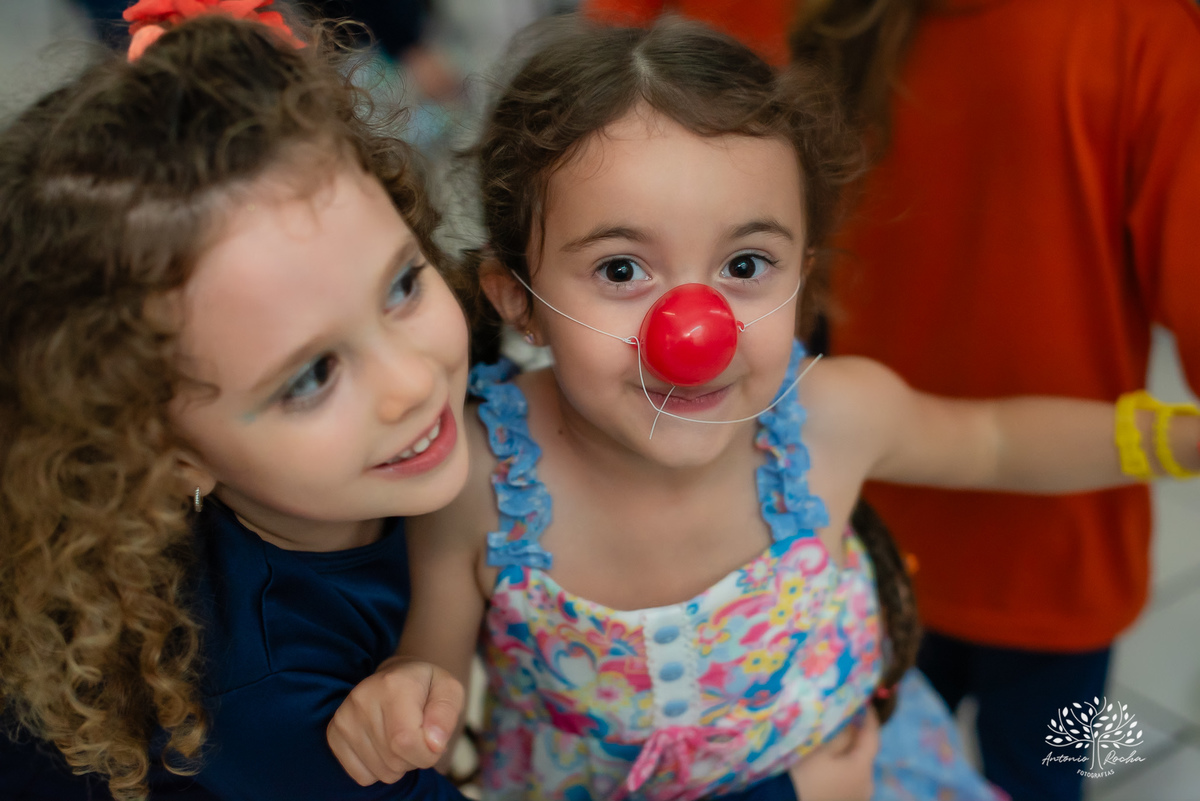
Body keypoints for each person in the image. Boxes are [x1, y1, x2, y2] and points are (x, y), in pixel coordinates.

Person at [327, 15, 1200, 801]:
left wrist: (1175, 437)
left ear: (804, 278)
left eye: (745, 266)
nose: (694, 330)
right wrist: (408, 698)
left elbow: (994, 441)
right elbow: (430, 673)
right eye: (622, 269)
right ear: (516, 298)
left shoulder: (829, 417)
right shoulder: (480, 480)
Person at [0, 5, 479, 800]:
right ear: (168, 452)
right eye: (311, 377)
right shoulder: (267, 698)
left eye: (400, 284)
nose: (412, 381)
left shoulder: (395, 434)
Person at [788, 1, 1200, 798]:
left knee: (883, 772)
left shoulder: (827, 16)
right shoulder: (1144, 29)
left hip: (859, 531)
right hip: (1056, 545)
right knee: (1048, 772)